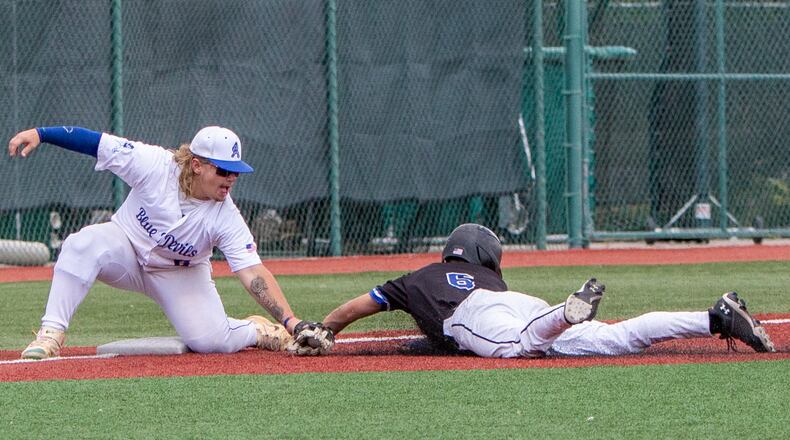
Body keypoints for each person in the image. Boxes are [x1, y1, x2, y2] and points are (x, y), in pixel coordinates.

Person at [8, 125, 320, 359]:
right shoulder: (154, 164)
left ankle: (257, 330)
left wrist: (291, 321)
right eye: (223, 170)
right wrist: (42, 133)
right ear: (196, 164)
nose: (231, 179)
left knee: (210, 341)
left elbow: (253, 273)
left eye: (236, 172)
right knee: (82, 244)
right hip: (126, 251)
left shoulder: (226, 216)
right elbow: (96, 143)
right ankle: (50, 334)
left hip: (180, 274)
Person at [314, 223, 776, 358]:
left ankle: (566, 312)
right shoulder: (493, 278)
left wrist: (326, 329)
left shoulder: (415, 278)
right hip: (520, 304)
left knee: (519, 348)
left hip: (477, 317)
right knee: (618, 338)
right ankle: (713, 317)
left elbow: (360, 305)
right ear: (485, 257)